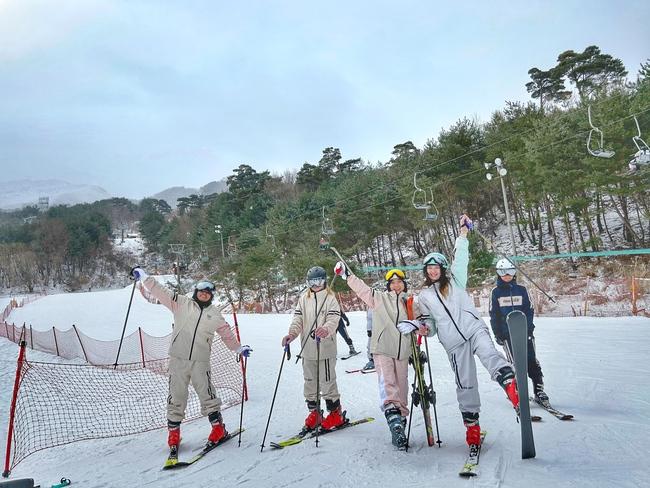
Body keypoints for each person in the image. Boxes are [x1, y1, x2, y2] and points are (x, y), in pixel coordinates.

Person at [415, 215, 519, 448]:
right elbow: (430, 325)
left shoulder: (456, 281)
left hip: (473, 329)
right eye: (429, 268)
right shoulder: (424, 297)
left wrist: (463, 234)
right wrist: (422, 328)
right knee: (466, 384)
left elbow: (460, 258)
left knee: (490, 355)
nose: (433, 271)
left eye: (436, 267)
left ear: (442, 268)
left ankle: (512, 388)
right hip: (453, 343)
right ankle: (472, 429)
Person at [130, 267, 252, 449]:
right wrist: (145, 277)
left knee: (207, 394)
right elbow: (160, 291)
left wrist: (238, 348)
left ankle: (218, 429)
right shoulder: (181, 303)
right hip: (177, 359)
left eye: (208, 293)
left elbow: (227, 334)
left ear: (211, 296)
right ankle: (173, 435)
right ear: (196, 292)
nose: (204, 295)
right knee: (176, 395)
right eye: (201, 292)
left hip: (200, 361)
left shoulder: (215, 314)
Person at [334, 263, 421, 448]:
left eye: (399, 282)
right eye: (393, 282)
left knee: (402, 389)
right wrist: (348, 275)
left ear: (404, 284)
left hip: (403, 351)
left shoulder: (411, 302)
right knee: (388, 385)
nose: (396, 285)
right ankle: (394, 421)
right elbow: (362, 289)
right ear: (388, 285)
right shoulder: (379, 299)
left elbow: (424, 324)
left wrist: (417, 325)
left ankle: (399, 425)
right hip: (383, 348)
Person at [281, 266, 346, 432]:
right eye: (312, 281)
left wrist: (326, 329)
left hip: (325, 348)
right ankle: (315, 413)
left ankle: (335, 414)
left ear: (324, 280)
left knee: (327, 382)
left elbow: (333, 318)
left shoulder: (330, 298)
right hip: (308, 349)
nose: (316, 284)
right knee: (310, 383)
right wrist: (292, 334)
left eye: (319, 281)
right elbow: (298, 319)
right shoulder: (304, 298)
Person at [490, 258, 548, 402]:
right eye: (503, 272)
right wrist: (498, 333)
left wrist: (528, 328)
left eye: (510, 271)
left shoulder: (521, 290)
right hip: (507, 334)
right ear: (498, 274)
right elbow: (494, 314)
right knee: (515, 363)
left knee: (531, 360)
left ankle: (539, 390)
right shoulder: (496, 292)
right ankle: (517, 391)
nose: (507, 275)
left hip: (525, 333)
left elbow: (529, 310)